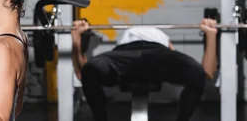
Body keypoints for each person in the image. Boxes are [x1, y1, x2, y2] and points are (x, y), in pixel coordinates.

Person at [71, 18, 219, 121]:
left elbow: (206, 73)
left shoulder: (164, 40)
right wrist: (76, 39)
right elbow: (82, 74)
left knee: (196, 72)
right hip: (124, 53)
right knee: (90, 69)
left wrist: (211, 34)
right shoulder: (124, 41)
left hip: (157, 52)